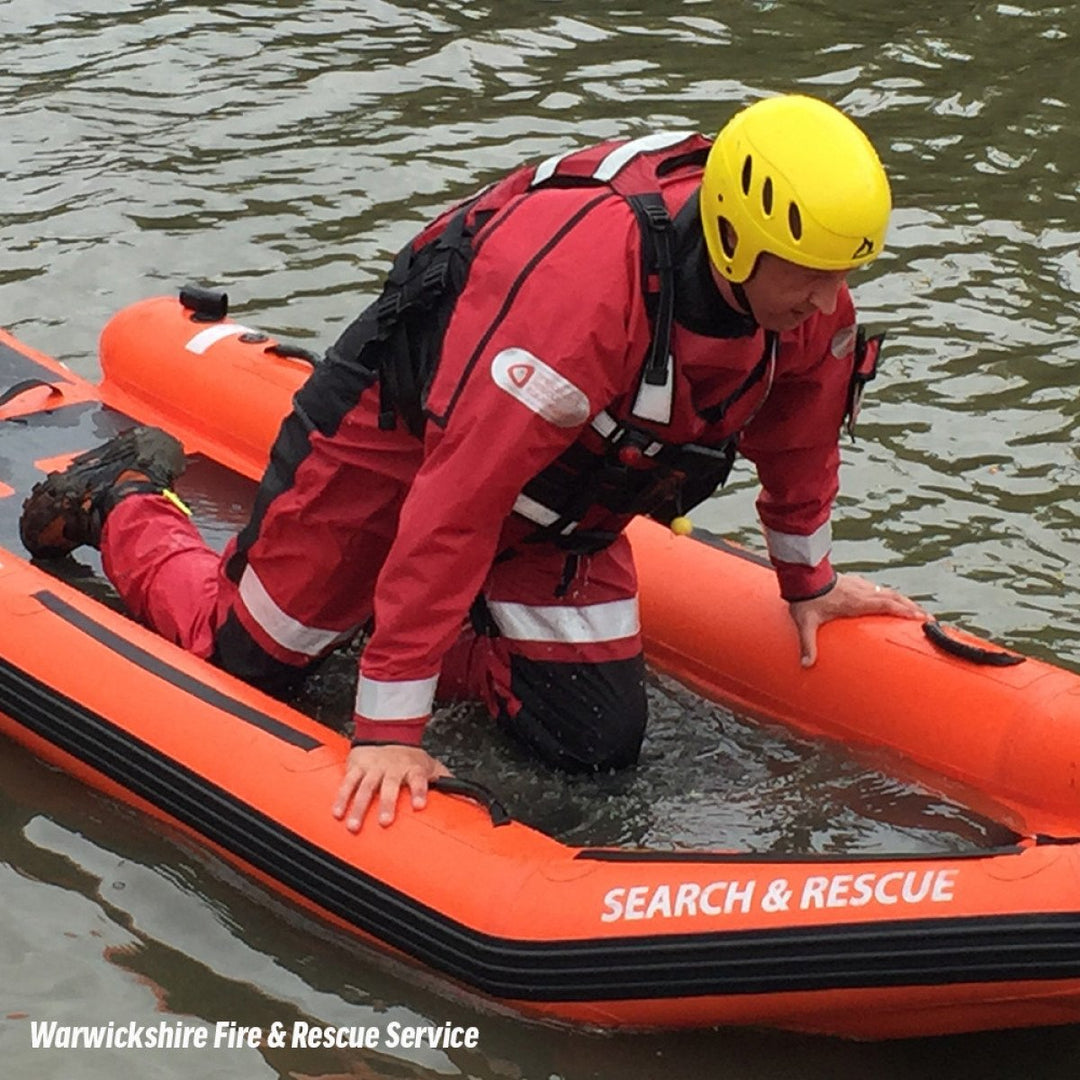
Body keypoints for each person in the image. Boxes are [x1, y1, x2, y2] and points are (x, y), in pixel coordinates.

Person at [20, 93, 926, 831]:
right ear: (734, 236)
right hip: (401, 446)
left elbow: (801, 436)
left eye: (844, 273)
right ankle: (127, 500)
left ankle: (416, 632)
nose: (828, 298)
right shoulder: (583, 300)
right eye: (808, 272)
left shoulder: (808, 313)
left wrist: (807, 582)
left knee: (595, 742)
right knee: (248, 658)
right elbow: (455, 500)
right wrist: (387, 731)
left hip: (564, 505)